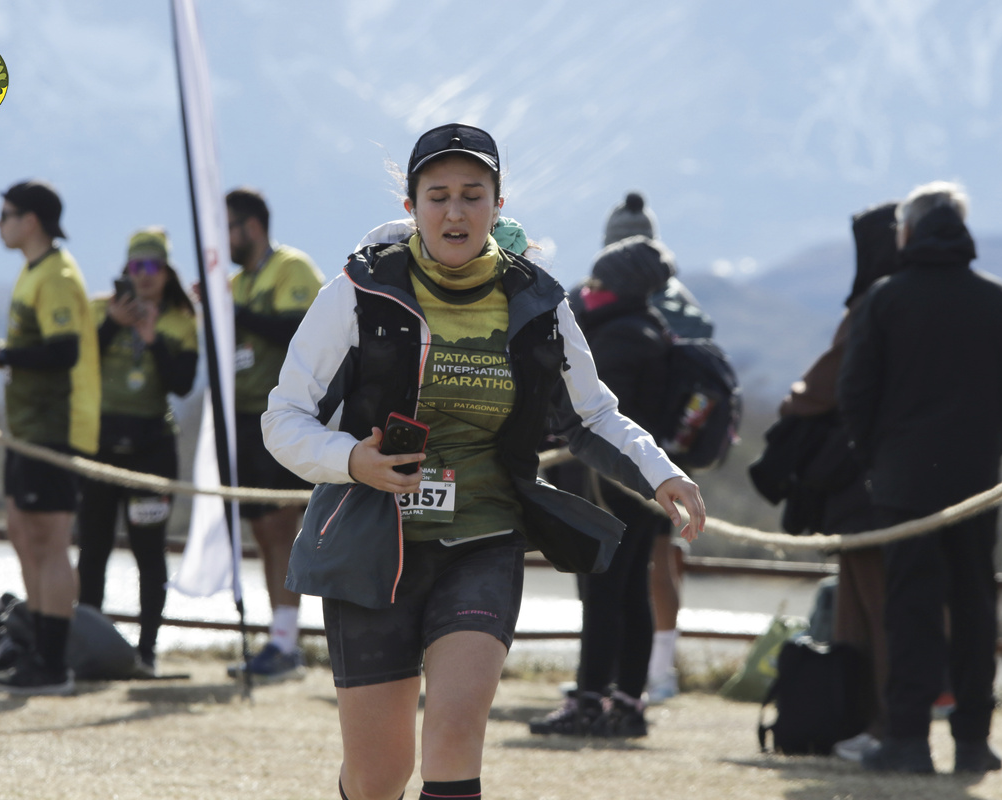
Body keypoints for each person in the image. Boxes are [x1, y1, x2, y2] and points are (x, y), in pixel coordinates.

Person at [261, 123, 706, 800]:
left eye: (473, 195)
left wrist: (661, 472)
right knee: (380, 775)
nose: (456, 211)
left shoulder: (537, 300)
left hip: (484, 540)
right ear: (411, 206)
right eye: (438, 195)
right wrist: (353, 460)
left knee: (455, 730)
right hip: (372, 543)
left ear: (498, 204)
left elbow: (592, 415)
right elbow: (284, 417)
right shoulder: (360, 290)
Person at [839, 181, 1002, 774]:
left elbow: (855, 392)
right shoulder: (1001, 300)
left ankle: (908, 739)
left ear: (909, 231)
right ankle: (973, 741)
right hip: (979, 480)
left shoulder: (885, 299)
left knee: (911, 610)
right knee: (976, 607)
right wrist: (991, 442)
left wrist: (878, 456)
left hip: (904, 485)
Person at [765, 201, 902, 762]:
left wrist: (795, 401)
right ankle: (878, 721)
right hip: (917, 481)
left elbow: (823, 387)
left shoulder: (875, 303)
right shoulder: (918, 300)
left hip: (863, 486)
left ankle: (876, 722)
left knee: (870, 607)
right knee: (886, 605)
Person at [528, 235, 677, 738]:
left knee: (602, 590)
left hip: (607, 484)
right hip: (642, 482)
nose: (589, 287)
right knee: (631, 591)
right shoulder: (650, 330)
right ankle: (627, 703)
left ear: (618, 284)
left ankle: (590, 700)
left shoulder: (618, 337)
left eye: (599, 278)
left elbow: (592, 415)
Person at [0, 179, 100, 695]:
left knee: (50, 541)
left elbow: (64, 352)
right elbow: (40, 346)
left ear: (31, 220)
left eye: (5, 214)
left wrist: (1, 356)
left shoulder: (57, 274)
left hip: (56, 426)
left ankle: (53, 665)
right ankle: (38, 654)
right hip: (28, 426)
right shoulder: (34, 270)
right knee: (23, 532)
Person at [600, 191, 711, 703]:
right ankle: (656, 670)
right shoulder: (681, 300)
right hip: (670, 449)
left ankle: (628, 673)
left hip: (624, 453)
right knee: (661, 556)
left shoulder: (620, 299)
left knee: (625, 564)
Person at [76, 227, 198, 675]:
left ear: (166, 272)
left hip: (152, 450)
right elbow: (77, 365)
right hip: (99, 447)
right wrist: (113, 323)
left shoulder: (181, 319)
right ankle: (86, 650)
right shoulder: (96, 310)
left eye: (154, 266)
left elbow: (182, 384)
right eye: (136, 266)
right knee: (93, 550)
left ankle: (147, 652)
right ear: (125, 270)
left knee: (149, 553)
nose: (145, 275)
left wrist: (151, 338)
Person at [222, 187, 324, 681]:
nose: (222, 239)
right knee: (263, 529)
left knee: (282, 524)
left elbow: (298, 332)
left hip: (287, 413)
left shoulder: (292, 268)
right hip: (244, 417)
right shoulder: (236, 282)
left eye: (227, 227)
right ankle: (279, 636)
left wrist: (232, 312)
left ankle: (286, 643)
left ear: (252, 227)